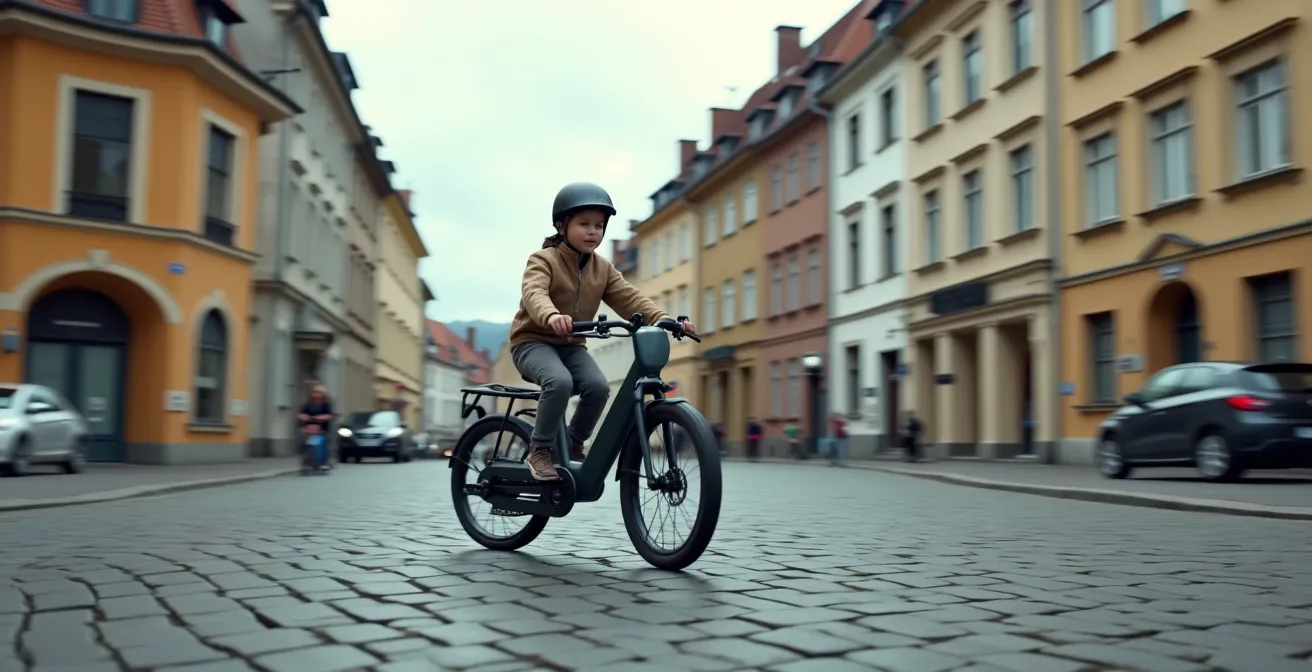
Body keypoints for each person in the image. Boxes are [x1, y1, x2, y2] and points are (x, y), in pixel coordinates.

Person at [509, 182, 697, 482]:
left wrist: (666, 319)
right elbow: (534, 293)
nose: (593, 231)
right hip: (532, 343)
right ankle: (540, 451)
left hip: (571, 346)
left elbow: (631, 298)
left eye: (599, 226)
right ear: (562, 224)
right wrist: (551, 315)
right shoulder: (543, 260)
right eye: (584, 224)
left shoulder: (603, 268)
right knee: (558, 381)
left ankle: (572, 442)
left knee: (597, 387)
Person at [297, 383, 335, 471]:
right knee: (305, 443)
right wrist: (303, 417)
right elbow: (301, 414)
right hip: (309, 429)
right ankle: (306, 463)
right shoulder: (307, 404)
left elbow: (330, 415)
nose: (316, 394)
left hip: (322, 429)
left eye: (319, 392)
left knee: (323, 443)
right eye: (315, 392)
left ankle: (323, 462)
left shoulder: (326, 404)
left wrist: (321, 418)